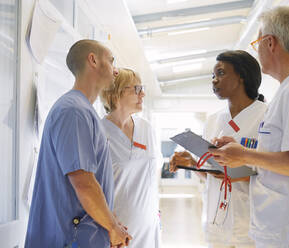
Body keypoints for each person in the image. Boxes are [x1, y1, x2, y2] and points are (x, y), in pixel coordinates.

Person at [208, 6, 289, 248]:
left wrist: (245, 155)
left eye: (257, 42)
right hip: (280, 226)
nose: (257, 51)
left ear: (270, 43)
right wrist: (242, 151)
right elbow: (284, 153)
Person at [25, 40, 132, 248]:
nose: (116, 70)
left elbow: (94, 181)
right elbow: (84, 183)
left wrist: (111, 221)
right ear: (93, 60)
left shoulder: (83, 111)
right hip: (68, 239)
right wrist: (112, 227)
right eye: (112, 61)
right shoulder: (74, 111)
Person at [170, 50, 267, 248]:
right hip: (217, 225)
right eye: (213, 76)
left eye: (221, 73)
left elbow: (279, 172)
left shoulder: (267, 117)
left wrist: (240, 170)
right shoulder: (214, 120)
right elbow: (213, 177)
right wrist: (194, 164)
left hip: (252, 225)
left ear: (242, 75)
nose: (214, 80)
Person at [100, 68, 162, 248]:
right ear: (116, 93)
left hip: (149, 226)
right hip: (118, 231)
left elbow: (152, 174)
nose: (142, 93)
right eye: (136, 89)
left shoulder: (147, 129)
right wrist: (110, 226)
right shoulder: (99, 132)